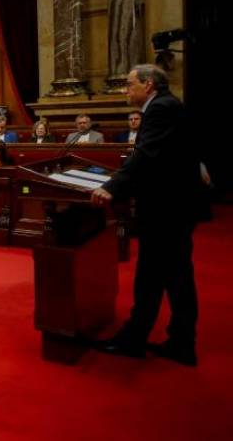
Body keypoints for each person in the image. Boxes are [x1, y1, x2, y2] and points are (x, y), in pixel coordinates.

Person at [91, 65, 206, 366]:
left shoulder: (160, 108)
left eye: (130, 84)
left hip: (167, 210)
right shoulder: (167, 105)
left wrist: (111, 187)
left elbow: (145, 155)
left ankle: (141, 340)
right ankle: (176, 342)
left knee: (157, 277)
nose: (125, 90)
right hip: (173, 207)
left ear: (149, 84)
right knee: (170, 277)